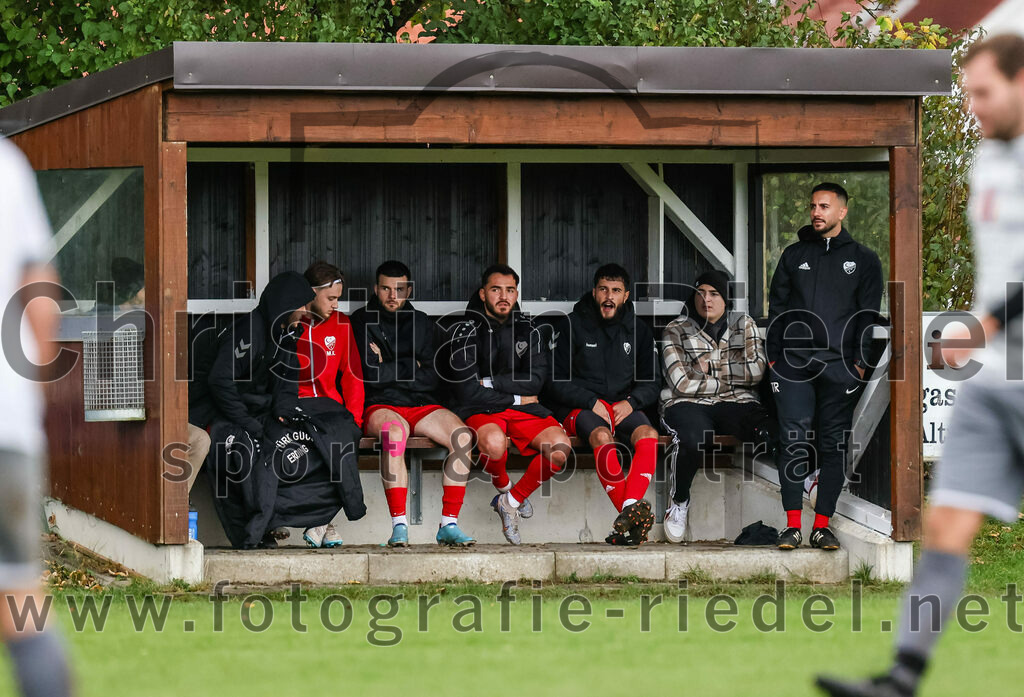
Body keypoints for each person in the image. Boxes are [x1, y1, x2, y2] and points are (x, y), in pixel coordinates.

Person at [817, 33, 1024, 697]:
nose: (973, 105)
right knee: (945, 523)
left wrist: (984, 325)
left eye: (984, 92)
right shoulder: (989, 162)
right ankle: (900, 679)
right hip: (995, 378)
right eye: (968, 92)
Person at [767, 181, 882, 552]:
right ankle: (791, 527)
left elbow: (867, 317)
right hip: (793, 367)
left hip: (840, 369)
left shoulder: (864, 259)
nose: (816, 212)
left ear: (842, 212)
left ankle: (822, 526)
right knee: (793, 442)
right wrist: (774, 359)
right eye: (813, 206)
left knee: (834, 446)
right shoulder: (793, 254)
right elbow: (777, 310)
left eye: (824, 207)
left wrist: (860, 366)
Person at [0, 137, 73, 696]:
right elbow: (39, 294)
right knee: (19, 598)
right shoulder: (7, 163)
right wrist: (33, 404)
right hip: (7, 430)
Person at [351, 260, 476, 547]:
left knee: (462, 436)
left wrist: (390, 366)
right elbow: (370, 376)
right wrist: (412, 365)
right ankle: (399, 526)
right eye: (385, 288)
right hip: (381, 404)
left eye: (399, 289)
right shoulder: (362, 321)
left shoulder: (421, 322)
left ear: (408, 289)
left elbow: (432, 377)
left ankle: (449, 524)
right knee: (395, 436)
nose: (392, 296)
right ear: (375, 288)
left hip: (420, 402)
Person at [444, 264, 571, 545]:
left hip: (526, 409)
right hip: (481, 409)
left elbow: (536, 381)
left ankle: (510, 501)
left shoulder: (530, 329)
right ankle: (503, 484)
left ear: (516, 293)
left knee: (560, 450)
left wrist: (490, 382)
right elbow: (467, 391)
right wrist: (515, 395)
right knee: (493, 443)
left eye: (510, 290)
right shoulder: (464, 330)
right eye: (496, 289)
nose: (503, 296)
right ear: (482, 293)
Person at [544, 263, 661, 545]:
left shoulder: (639, 331)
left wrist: (631, 403)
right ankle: (631, 513)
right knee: (600, 436)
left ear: (626, 296)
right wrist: (590, 401)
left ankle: (629, 508)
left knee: (649, 435)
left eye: (616, 291)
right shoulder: (571, 324)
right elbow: (553, 381)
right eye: (604, 289)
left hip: (623, 405)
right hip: (582, 407)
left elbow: (653, 382)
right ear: (594, 291)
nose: (609, 296)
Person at [659, 269, 773, 543]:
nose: (706, 300)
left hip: (735, 404)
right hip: (687, 404)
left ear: (726, 298)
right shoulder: (676, 329)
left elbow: (757, 370)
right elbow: (681, 383)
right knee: (694, 437)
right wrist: (733, 380)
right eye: (701, 293)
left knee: (765, 426)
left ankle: (803, 479)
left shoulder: (743, 324)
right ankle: (679, 501)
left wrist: (711, 367)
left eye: (714, 294)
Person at [293, 261, 364, 548]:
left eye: (338, 299)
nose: (336, 305)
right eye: (331, 298)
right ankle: (324, 521)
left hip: (330, 409)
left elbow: (352, 375)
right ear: (311, 293)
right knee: (313, 450)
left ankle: (322, 521)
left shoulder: (343, 324)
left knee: (342, 445)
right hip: (295, 407)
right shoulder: (291, 321)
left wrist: (355, 419)